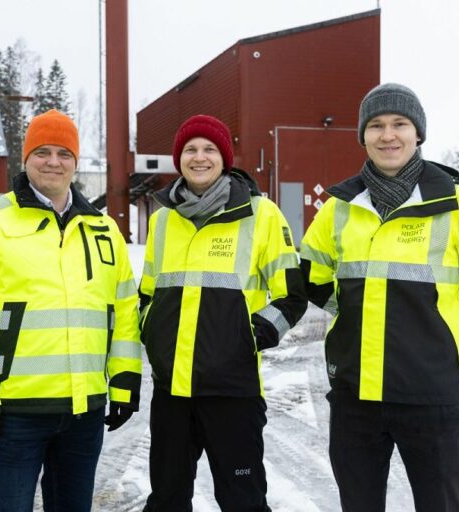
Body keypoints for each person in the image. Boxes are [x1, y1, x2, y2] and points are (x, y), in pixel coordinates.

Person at [300, 83, 459, 511]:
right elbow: (312, 280)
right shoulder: (338, 209)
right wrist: (352, 316)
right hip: (355, 396)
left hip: (431, 395)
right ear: (363, 136)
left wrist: (444, 322)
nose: (388, 135)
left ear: (418, 133)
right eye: (376, 126)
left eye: (400, 124)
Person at [0, 109, 142, 512]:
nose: (54, 162)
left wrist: (124, 380)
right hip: (14, 413)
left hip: (84, 412)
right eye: (43, 152)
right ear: (26, 158)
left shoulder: (102, 230)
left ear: (76, 161)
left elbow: (121, 311)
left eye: (64, 153)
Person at [139, 114, 307, 512]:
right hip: (171, 392)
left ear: (224, 158)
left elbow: (291, 297)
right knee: (166, 500)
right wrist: (154, 333)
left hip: (233, 393)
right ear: (179, 159)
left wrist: (246, 338)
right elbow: (147, 294)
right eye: (191, 150)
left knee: (242, 501)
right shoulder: (162, 219)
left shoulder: (261, 215)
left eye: (209, 149)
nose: (200, 157)